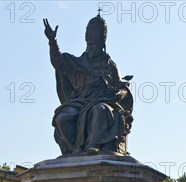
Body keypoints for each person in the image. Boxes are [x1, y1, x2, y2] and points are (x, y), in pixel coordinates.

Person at [43, 13, 133, 156]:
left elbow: (123, 87)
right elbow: (58, 62)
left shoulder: (110, 66)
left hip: (104, 102)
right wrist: (53, 41)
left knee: (98, 110)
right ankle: (76, 151)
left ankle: (93, 144)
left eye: (94, 44)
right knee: (62, 118)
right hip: (80, 102)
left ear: (102, 44)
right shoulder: (78, 63)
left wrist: (119, 93)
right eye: (89, 44)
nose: (91, 47)